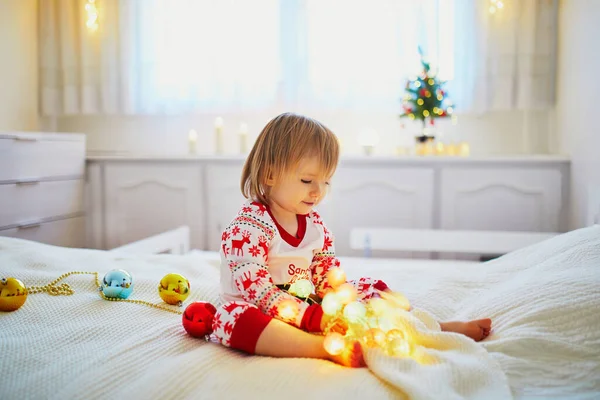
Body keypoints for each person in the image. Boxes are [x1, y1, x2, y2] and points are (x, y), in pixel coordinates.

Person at [211, 112, 491, 368]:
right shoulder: (248, 228)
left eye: (326, 182)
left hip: (308, 306)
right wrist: (310, 318)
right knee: (229, 319)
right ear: (270, 174)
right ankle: (322, 348)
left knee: (370, 290)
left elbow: (324, 271)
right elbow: (256, 289)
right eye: (308, 181)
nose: (318, 192)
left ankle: (427, 327)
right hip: (265, 313)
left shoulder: (314, 224)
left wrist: (339, 299)